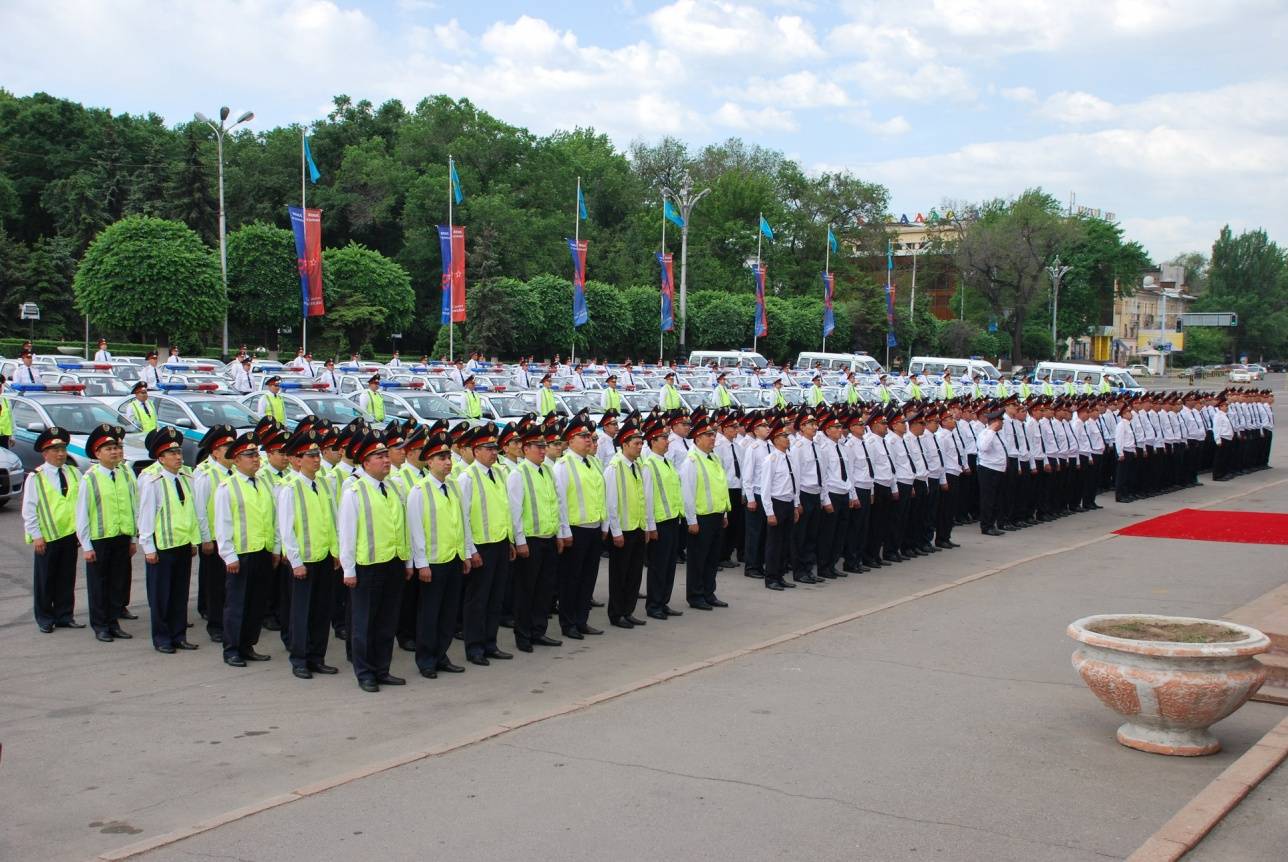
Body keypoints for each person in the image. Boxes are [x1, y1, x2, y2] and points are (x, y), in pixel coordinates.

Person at [339, 430, 412, 692]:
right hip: (367, 566)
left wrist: (407, 562)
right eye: (379, 456)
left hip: (393, 562)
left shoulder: (393, 488)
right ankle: (365, 672)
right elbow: (346, 533)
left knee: (387, 621)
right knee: (365, 622)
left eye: (385, 455)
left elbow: (402, 527)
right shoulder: (354, 491)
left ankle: (382, 668)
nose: (386, 460)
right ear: (365, 462)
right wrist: (348, 569)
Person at [276, 428, 341, 680]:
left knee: (322, 611)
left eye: (317, 454)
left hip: (324, 557)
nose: (316, 459)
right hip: (303, 561)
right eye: (309, 455)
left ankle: (317, 657)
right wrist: (295, 561)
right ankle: (300, 659)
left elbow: (332, 520)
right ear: (296, 460)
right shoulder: (290, 488)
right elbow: (287, 528)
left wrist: (335, 551)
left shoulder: (324, 484)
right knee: (301, 612)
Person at [407, 430, 468, 679]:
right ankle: (426, 659)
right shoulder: (419, 491)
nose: (447, 462)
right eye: (441, 457)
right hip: (433, 562)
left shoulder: (453, 487)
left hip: (453, 558)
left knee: (448, 613)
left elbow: (462, 523)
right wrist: (421, 563)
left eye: (448, 457)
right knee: (430, 614)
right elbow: (415, 530)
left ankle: (441, 654)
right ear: (429, 462)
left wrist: (465, 553)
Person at [215, 432, 279, 667]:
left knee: (256, 603)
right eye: (249, 455)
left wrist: (275, 549)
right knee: (237, 603)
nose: (256, 459)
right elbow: (223, 524)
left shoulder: (263, 483)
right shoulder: (227, 487)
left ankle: (248, 644)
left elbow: (273, 518)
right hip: (241, 554)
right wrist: (229, 555)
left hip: (262, 550)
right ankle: (232, 648)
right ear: (236, 459)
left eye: (256, 454)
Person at [138, 427, 200, 654]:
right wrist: (148, 547)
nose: (177, 456)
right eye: (171, 453)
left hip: (182, 544)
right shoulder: (153, 481)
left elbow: (191, 512)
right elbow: (146, 515)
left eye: (178, 452)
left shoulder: (186, 478)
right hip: (162, 546)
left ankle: (179, 634)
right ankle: (162, 637)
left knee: (179, 593)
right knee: (162, 594)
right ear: (160, 458)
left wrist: (194, 540)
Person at [456, 425, 514, 666]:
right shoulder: (466, 478)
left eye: (494, 448)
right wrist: (471, 550)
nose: (493, 453)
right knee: (477, 600)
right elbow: (463, 517)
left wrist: (509, 539)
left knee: (495, 597)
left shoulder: (499, 473)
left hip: (499, 542)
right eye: (488, 449)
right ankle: (475, 647)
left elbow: (504, 508)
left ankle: (491, 643)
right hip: (481, 546)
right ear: (476, 451)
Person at [75, 424, 138, 643]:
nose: (114, 452)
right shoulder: (90, 478)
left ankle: (113, 622)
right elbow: (82, 513)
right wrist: (87, 546)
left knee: (117, 582)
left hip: (121, 536)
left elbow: (132, 506)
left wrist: (132, 537)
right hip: (100, 539)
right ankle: (100, 625)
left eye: (116, 447)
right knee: (99, 584)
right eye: (108, 448)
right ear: (97, 453)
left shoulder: (124, 475)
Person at [507, 425, 563, 652]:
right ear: (526, 448)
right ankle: (523, 635)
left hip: (547, 537)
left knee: (544, 589)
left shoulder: (548, 471)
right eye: (538, 447)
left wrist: (559, 533)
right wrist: (519, 540)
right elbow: (515, 510)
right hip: (530, 540)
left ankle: (539, 630)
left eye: (544, 446)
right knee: (525, 590)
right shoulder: (518, 474)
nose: (543, 451)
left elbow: (556, 504)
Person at [23, 426, 81, 632]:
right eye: (55, 450)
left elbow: (80, 504)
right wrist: (36, 535)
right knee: (45, 579)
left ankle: (65, 615)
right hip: (47, 536)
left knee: (67, 577)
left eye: (63, 450)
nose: (60, 454)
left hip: (69, 534)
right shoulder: (36, 477)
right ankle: (45, 617)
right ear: (45, 453)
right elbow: (29, 509)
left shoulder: (73, 473)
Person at [554, 417, 606, 639]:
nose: (588, 440)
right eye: (583, 437)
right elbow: (560, 501)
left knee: (588, 577)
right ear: (570, 440)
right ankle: (568, 623)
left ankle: (582, 619)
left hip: (593, 527)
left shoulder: (593, 462)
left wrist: (604, 523)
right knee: (571, 579)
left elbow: (600, 494)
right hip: (575, 530)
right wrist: (564, 532)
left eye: (590, 437)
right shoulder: (563, 466)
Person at [679, 413, 730, 609]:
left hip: (716, 515)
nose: (713, 438)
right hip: (701, 518)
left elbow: (720, 486)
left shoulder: (714, 458)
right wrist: (691, 520)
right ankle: (695, 595)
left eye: (713, 435)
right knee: (698, 559)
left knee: (711, 558)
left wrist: (724, 513)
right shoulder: (691, 461)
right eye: (708, 435)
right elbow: (687, 493)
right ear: (698, 438)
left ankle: (709, 592)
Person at [603, 423, 651, 629]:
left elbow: (643, 499)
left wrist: (647, 526)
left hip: (637, 526)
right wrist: (615, 531)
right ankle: (617, 612)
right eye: (636, 443)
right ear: (624, 444)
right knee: (619, 574)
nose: (640, 447)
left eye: (641, 443)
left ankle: (628, 610)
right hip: (622, 529)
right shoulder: (614, 468)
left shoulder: (637, 466)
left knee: (634, 573)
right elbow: (611, 502)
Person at [641, 420, 683, 618]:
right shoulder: (649, 465)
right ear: (653, 441)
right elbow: (647, 498)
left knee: (669, 565)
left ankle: (663, 601)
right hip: (659, 522)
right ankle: (654, 605)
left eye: (667, 438)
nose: (667, 441)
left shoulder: (667, 462)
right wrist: (650, 526)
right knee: (658, 566)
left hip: (672, 519)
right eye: (663, 438)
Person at [759, 420, 800, 591]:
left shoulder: (790, 457)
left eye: (787, 435)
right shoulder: (771, 459)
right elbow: (765, 488)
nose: (787, 438)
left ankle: (781, 575)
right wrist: (769, 512)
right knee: (774, 544)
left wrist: (796, 505)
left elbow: (795, 482)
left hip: (788, 503)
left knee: (785, 542)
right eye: (783, 436)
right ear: (775, 440)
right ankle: (771, 578)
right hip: (776, 503)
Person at [714, 414, 746, 569]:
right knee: (724, 525)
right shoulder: (719, 447)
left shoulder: (738, 447)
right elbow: (719, 471)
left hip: (737, 488)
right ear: (724, 429)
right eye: (733, 427)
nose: (736, 430)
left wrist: (744, 492)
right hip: (725, 489)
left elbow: (744, 470)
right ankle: (719, 556)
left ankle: (727, 554)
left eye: (737, 426)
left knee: (734, 525)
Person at [975, 409, 1007, 535]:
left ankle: (992, 524)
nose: (1002, 424)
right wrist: (991, 430)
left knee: (996, 499)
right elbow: (983, 447)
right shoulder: (985, 433)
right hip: (988, 470)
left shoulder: (998, 434)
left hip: (998, 469)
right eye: (1001, 421)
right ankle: (986, 526)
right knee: (988, 500)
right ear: (995, 422)